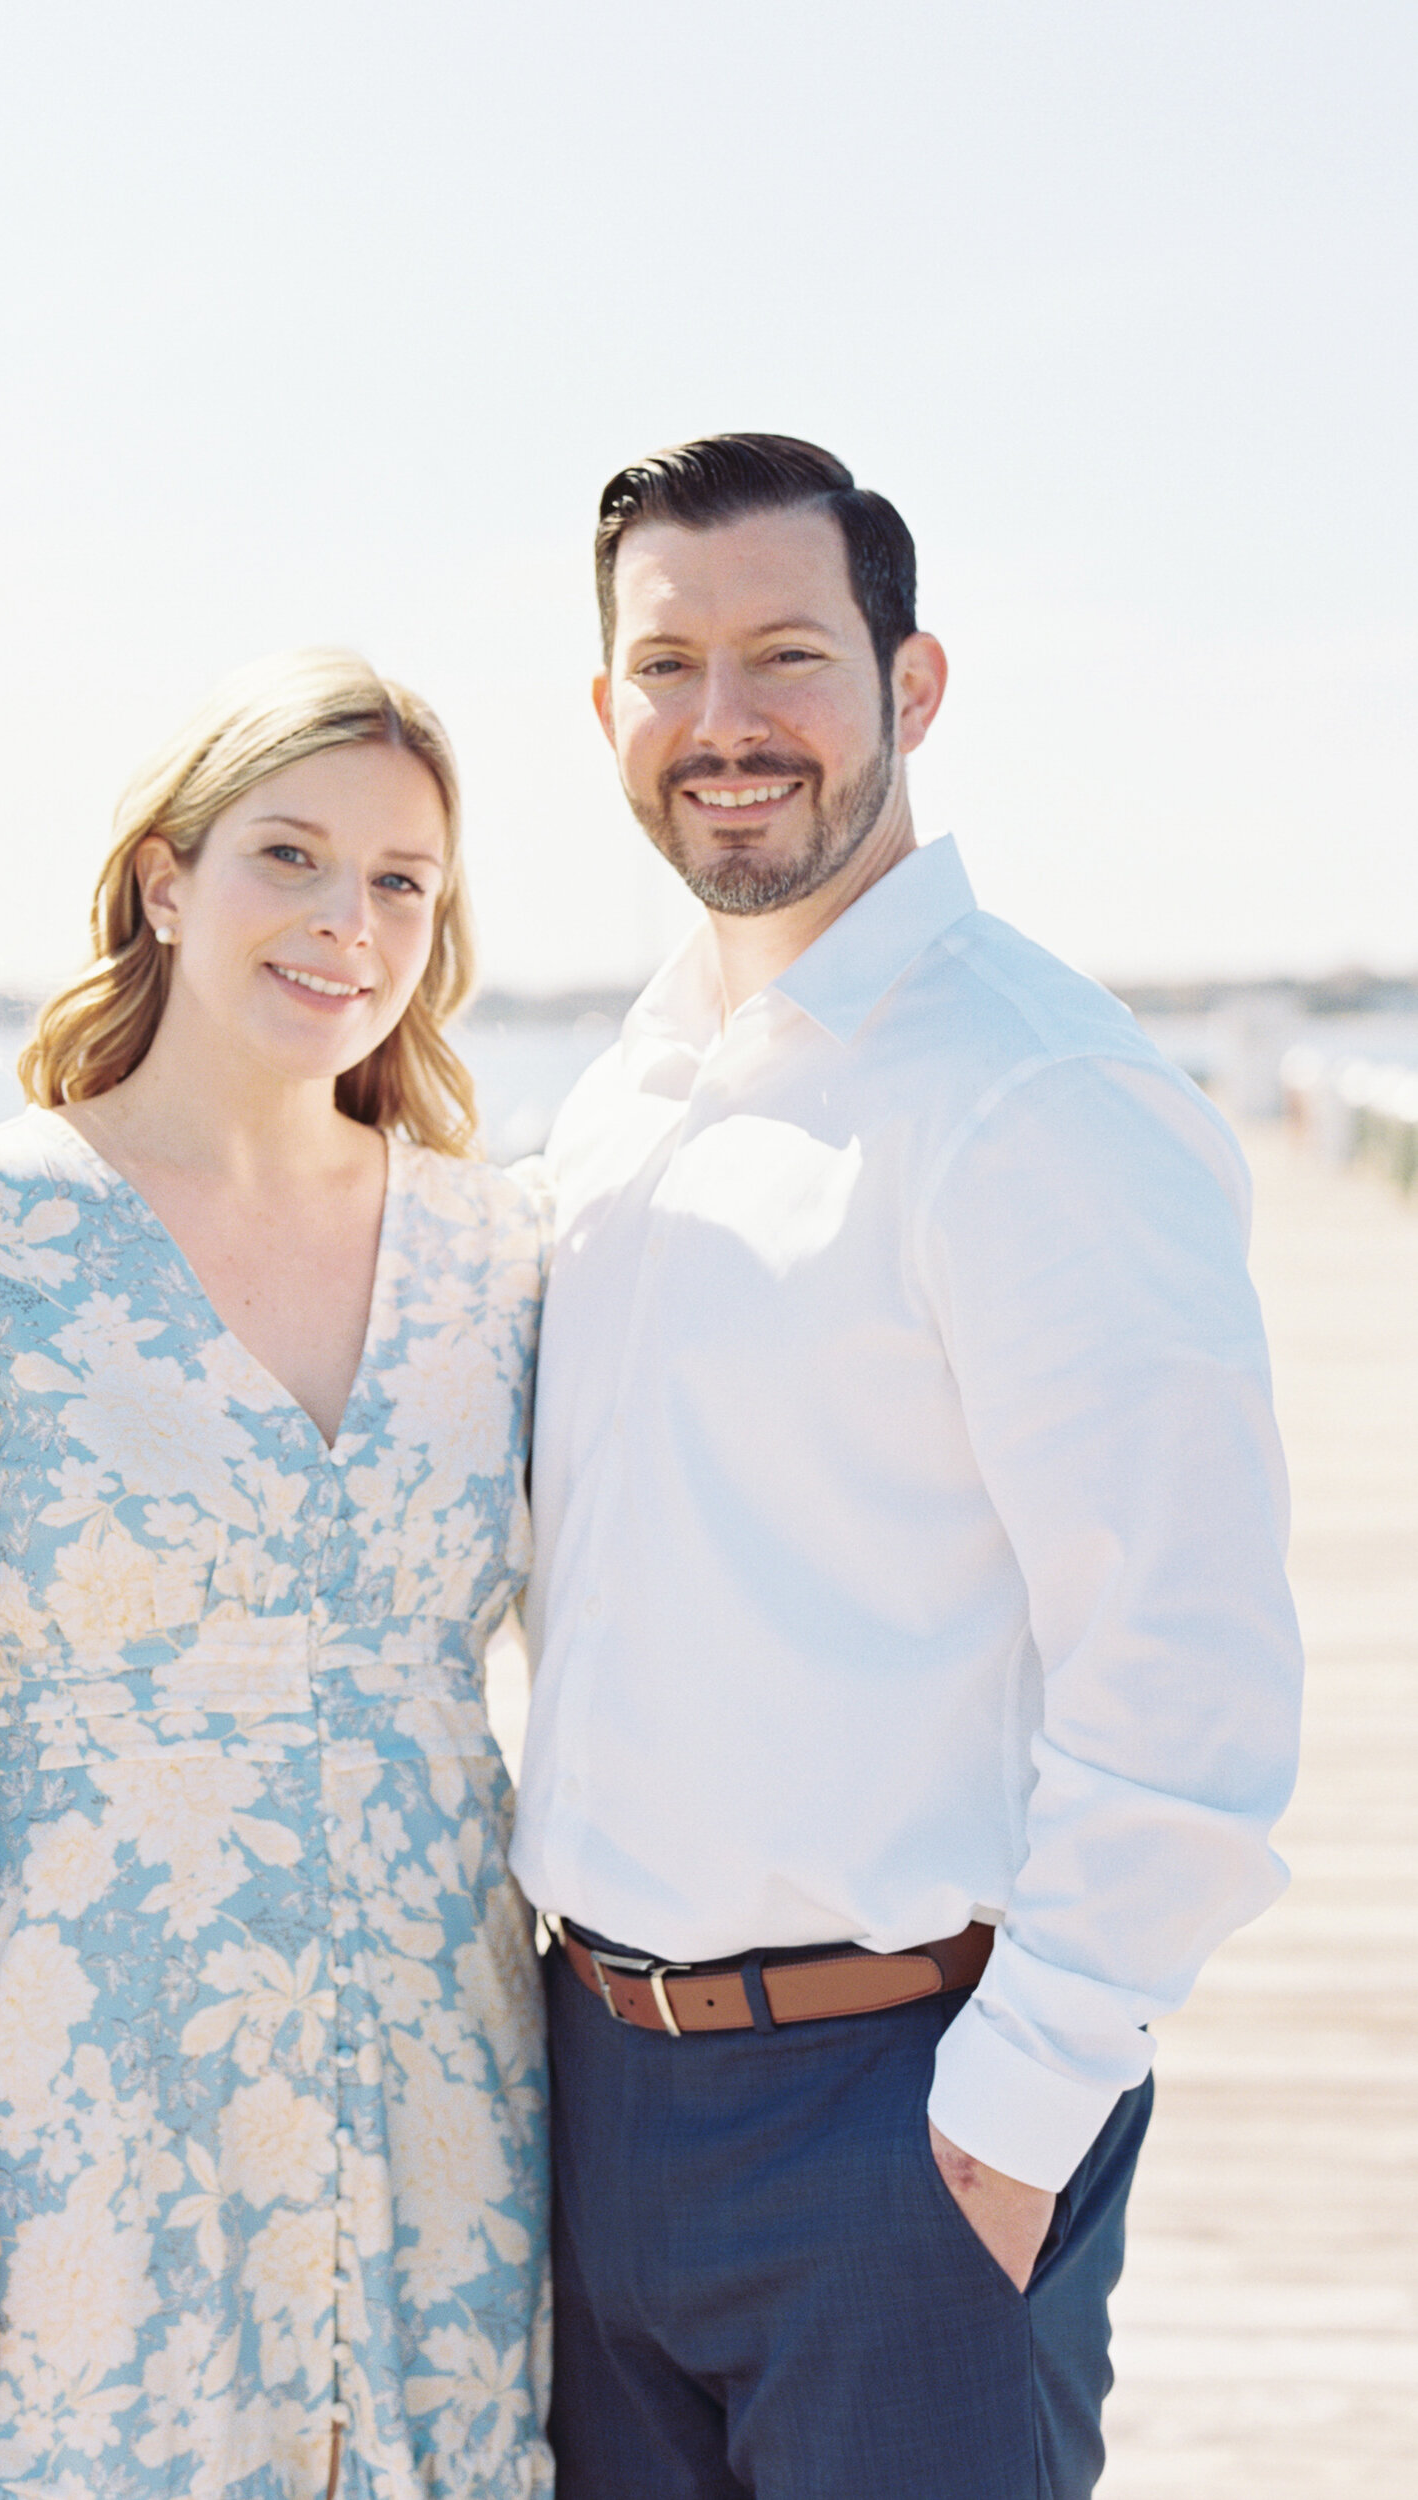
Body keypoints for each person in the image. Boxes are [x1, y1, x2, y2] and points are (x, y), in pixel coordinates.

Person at [510, 435, 1303, 2499]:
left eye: (784, 654)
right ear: (604, 712)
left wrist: (1008, 2123)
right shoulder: (620, 1093)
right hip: (583, 2096)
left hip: (900, 2118)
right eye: (665, 665)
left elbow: (1191, 1673)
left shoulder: (1033, 1091)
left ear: (911, 685)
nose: (722, 722)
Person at [0, 649, 553, 2500]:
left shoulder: (494, 1251)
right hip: (89, 2111)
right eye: (291, 857)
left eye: (402, 880)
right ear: (167, 882)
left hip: (452, 2114)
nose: (349, 921)